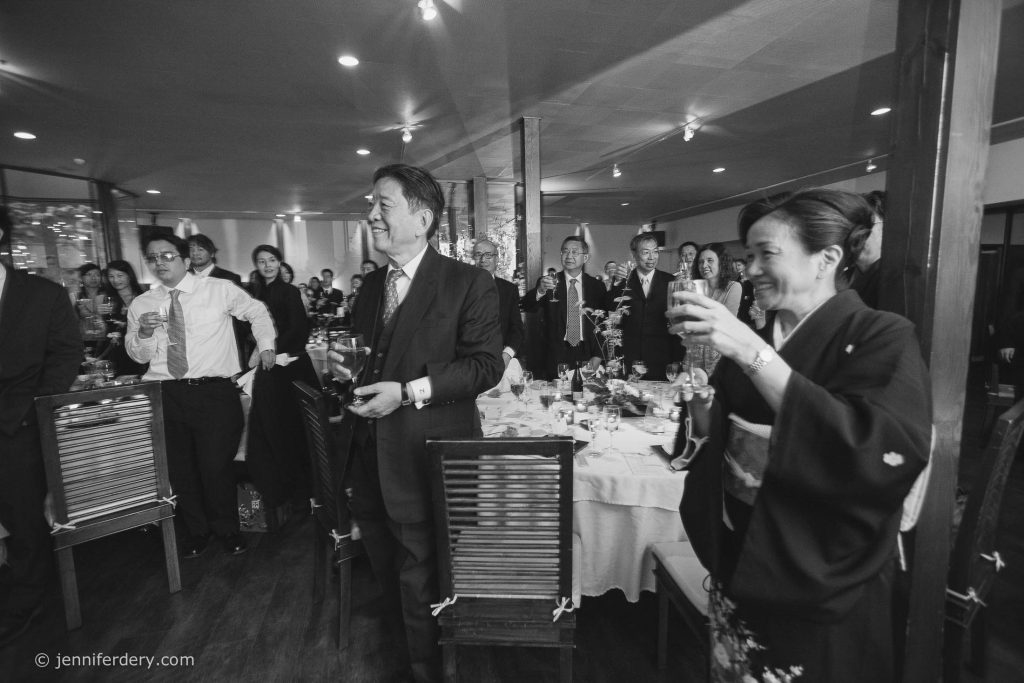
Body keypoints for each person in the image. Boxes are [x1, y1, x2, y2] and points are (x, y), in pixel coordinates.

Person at [667, 188, 931, 682]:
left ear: (827, 258)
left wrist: (751, 353)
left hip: (819, 575)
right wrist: (703, 406)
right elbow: (717, 437)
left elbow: (876, 449)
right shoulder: (757, 339)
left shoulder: (883, 335)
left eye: (767, 253)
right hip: (740, 559)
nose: (751, 269)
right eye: (748, 256)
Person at [329, 164, 502, 683]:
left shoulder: (467, 282)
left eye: (383, 204)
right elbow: (370, 359)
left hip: (426, 460)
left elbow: (484, 367)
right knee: (387, 573)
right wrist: (347, 373)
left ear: (422, 218)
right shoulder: (371, 286)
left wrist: (406, 392)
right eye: (371, 204)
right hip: (369, 459)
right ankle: (404, 658)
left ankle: (429, 672)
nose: (371, 214)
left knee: (422, 581)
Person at [126, 234, 277, 559]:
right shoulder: (142, 304)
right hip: (165, 393)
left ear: (185, 259)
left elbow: (257, 312)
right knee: (181, 468)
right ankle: (197, 531)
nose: (159, 263)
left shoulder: (218, 289)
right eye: (153, 258)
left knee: (215, 465)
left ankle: (227, 528)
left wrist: (265, 345)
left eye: (167, 255)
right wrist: (145, 332)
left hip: (213, 393)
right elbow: (138, 355)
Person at [0, 221, 82, 647]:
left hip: (17, 422)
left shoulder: (42, 294)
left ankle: (25, 601)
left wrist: (36, 407)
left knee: (23, 517)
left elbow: (66, 353)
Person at [246, 245, 319, 508]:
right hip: (268, 367)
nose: (267, 266)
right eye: (261, 261)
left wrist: (270, 349)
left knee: (294, 427)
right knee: (270, 425)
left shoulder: (289, 291)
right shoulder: (254, 294)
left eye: (272, 260)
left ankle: (304, 490)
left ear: (279, 263)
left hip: (290, 366)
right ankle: (276, 489)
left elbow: (299, 329)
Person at [522, 236, 607, 380]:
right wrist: (540, 290)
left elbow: (602, 323)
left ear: (585, 257)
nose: (569, 256)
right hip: (556, 353)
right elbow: (527, 305)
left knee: (586, 392)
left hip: (586, 352)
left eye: (575, 252)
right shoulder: (549, 282)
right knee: (557, 392)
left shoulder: (596, 286)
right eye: (565, 251)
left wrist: (598, 355)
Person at [605, 233, 683, 380]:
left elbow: (677, 320)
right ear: (634, 254)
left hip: (661, 357)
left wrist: (677, 358)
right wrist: (616, 284)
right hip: (629, 356)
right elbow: (610, 309)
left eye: (655, 252)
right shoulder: (623, 281)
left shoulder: (670, 281)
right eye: (646, 252)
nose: (651, 257)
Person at [688, 243, 742, 376]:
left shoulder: (733, 287)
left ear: (721, 263)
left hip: (719, 352)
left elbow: (726, 323)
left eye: (710, 260)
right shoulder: (695, 288)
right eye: (701, 262)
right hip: (695, 352)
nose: (704, 265)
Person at [473, 238, 524, 367]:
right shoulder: (460, 288)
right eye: (478, 254)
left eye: (488, 255)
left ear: (497, 259)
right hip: (468, 361)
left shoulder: (509, 290)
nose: (483, 260)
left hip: (500, 357)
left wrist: (507, 355)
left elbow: (516, 328)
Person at [101, 260, 148, 376]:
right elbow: (106, 328)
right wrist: (100, 317)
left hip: (138, 347)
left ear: (129, 275)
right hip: (116, 350)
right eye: (111, 276)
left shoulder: (143, 297)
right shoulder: (109, 300)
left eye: (120, 275)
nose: (115, 280)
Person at [849, 190, 885, 309]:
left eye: (865, 225)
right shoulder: (843, 275)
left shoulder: (892, 280)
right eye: (851, 224)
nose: (855, 232)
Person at [74, 262, 111, 351]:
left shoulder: (108, 296)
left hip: (107, 340)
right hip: (84, 341)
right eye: (89, 274)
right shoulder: (76, 297)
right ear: (81, 278)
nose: (93, 278)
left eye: (97, 275)